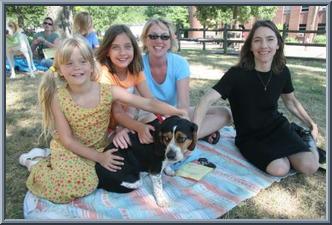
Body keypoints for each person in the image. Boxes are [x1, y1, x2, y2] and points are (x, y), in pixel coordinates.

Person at [21, 36, 187, 203]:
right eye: (69, 63)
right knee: (82, 183)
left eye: (82, 61)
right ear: (59, 69)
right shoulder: (58, 97)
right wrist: (99, 158)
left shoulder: (108, 91)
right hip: (70, 149)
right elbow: (67, 140)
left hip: (101, 146)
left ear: (92, 65)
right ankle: (34, 163)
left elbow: (148, 103)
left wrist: (176, 111)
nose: (77, 68)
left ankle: (51, 159)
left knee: (105, 175)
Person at [193, 20, 319, 176]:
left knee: (310, 167)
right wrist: (194, 132)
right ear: (251, 47)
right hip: (249, 136)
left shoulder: (282, 71)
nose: (264, 45)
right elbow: (205, 100)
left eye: (270, 39)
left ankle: (305, 138)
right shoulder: (236, 74)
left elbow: (291, 101)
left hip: (277, 127)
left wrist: (311, 124)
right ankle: (287, 150)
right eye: (257, 40)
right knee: (280, 169)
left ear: (278, 44)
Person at [140, 17, 232, 144]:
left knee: (224, 113)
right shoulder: (137, 64)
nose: (159, 40)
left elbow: (183, 105)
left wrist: (181, 117)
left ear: (171, 40)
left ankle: (188, 137)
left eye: (164, 37)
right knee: (151, 119)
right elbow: (145, 105)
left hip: (174, 113)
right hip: (148, 115)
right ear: (145, 39)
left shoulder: (179, 63)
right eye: (153, 36)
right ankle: (190, 137)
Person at [96, 24, 155, 148]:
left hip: (123, 122)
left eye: (127, 47)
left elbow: (150, 100)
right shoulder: (104, 74)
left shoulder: (135, 69)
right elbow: (117, 112)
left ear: (134, 48)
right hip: (103, 128)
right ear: (107, 51)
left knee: (154, 124)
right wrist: (138, 127)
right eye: (115, 48)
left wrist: (167, 116)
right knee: (131, 145)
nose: (123, 53)